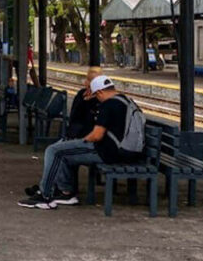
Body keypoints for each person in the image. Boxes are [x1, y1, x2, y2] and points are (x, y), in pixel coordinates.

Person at [19, 76, 144, 209]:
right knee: (64, 149)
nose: (97, 99)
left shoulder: (108, 105)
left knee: (54, 150)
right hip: (126, 151)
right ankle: (65, 192)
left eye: (96, 96)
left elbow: (97, 135)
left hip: (107, 151)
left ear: (100, 92)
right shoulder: (126, 101)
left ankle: (45, 196)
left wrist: (82, 140)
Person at [66, 66, 102, 139]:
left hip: (90, 136)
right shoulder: (81, 94)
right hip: (77, 133)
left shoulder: (102, 97)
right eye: (89, 79)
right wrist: (85, 100)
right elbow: (74, 115)